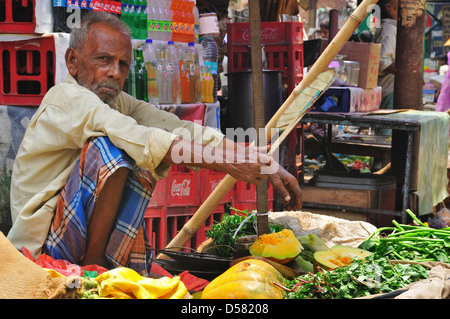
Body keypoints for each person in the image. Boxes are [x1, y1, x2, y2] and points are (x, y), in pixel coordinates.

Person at [7, 12, 302, 275]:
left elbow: (180, 129)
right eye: (103, 60)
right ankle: (93, 268)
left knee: (141, 147)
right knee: (111, 148)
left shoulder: (118, 102)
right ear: (73, 61)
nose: (115, 72)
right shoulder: (65, 98)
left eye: (123, 64)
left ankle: (107, 266)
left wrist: (254, 157)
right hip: (39, 248)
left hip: (71, 233)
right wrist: (227, 162)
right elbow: (138, 136)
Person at [374, 0, 398, 110]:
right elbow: (383, 62)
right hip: (389, 89)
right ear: (389, 6)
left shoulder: (392, 27)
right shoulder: (389, 28)